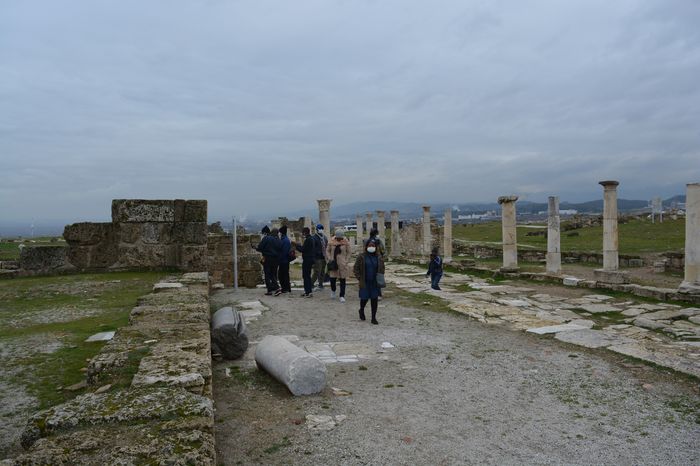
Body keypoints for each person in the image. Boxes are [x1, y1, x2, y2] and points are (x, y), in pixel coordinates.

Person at [353, 239, 385, 324]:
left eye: (373, 246)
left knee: (374, 299)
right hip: (365, 281)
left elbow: (382, 267)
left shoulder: (378, 257)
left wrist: (381, 276)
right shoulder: (361, 256)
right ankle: (361, 309)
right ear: (366, 247)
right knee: (364, 298)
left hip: (375, 282)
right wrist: (359, 278)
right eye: (369, 245)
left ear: (375, 247)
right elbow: (356, 268)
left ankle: (373, 318)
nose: (371, 247)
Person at [326, 229, 351, 302]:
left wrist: (346, 260)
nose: (339, 239)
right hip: (333, 262)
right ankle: (333, 290)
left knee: (342, 280)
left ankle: (342, 295)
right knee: (332, 279)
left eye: (341, 238)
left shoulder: (346, 242)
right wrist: (329, 258)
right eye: (338, 238)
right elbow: (327, 250)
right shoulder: (331, 242)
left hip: (342, 263)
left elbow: (349, 252)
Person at [256, 226, 281, 295]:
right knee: (273, 274)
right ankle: (275, 288)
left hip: (268, 258)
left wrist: (256, 248)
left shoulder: (266, 238)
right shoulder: (278, 240)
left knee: (267, 274)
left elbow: (260, 247)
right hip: (276, 259)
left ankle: (271, 290)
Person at [295, 227, 316, 297]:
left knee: (306, 276)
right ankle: (308, 291)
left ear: (304, 233)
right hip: (310, 259)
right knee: (307, 276)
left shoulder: (308, 240)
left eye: (303, 233)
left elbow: (303, 250)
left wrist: (297, 246)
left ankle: (308, 291)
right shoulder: (311, 238)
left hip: (307, 260)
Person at [311, 224, 328, 290]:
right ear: (317, 230)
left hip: (323, 257)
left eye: (322, 229)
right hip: (317, 258)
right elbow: (313, 248)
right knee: (317, 272)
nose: (321, 230)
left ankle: (320, 284)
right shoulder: (314, 238)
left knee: (322, 271)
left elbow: (326, 246)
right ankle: (311, 284)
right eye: (319, 229)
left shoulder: (325, 237)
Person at [277, 225, 292, 293]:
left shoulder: (285, 240)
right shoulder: (284, 239)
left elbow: (284, 252)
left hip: (284, 260)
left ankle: (285, 288)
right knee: (284, 275)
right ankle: (286, 288)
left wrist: (279, 259)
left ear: (282, 233)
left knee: (282, 275)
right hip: (284, 260)